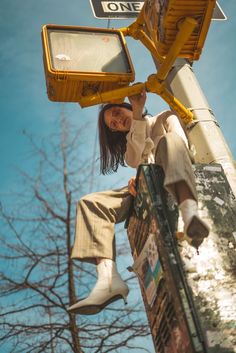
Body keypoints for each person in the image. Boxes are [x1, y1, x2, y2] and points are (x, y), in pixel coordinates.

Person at [68, 92, 209, 315]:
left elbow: (179, 147)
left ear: (124, 105)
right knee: (91, 203)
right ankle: (108, 279)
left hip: (172, 171)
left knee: (169, 141)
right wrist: (139, 179)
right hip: (146, 188)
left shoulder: (166, 117)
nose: (117, 121)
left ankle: (190, 215)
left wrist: (138, 112)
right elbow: (135, 160)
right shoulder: (130, 146)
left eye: (116, 113)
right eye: (113, 124)